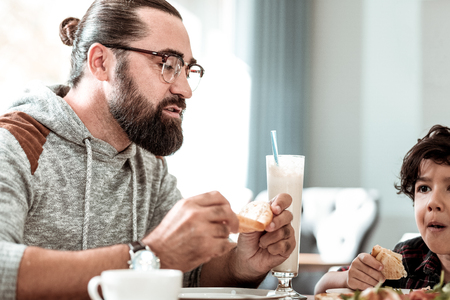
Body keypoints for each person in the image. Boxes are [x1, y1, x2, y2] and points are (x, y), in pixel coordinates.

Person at [0, 1, 296, 299]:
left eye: (187, 69)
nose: (185, 89)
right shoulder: (13, 145)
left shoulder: (146, 165)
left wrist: (241, 264)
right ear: (101, 63)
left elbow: (185, 274)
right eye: (167, 64)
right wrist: (148, 254)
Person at [314, 124, 450, 294]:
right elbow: (322, 288)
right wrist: (349, 277)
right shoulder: (408, 258)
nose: (433, 202)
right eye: (424, 188)